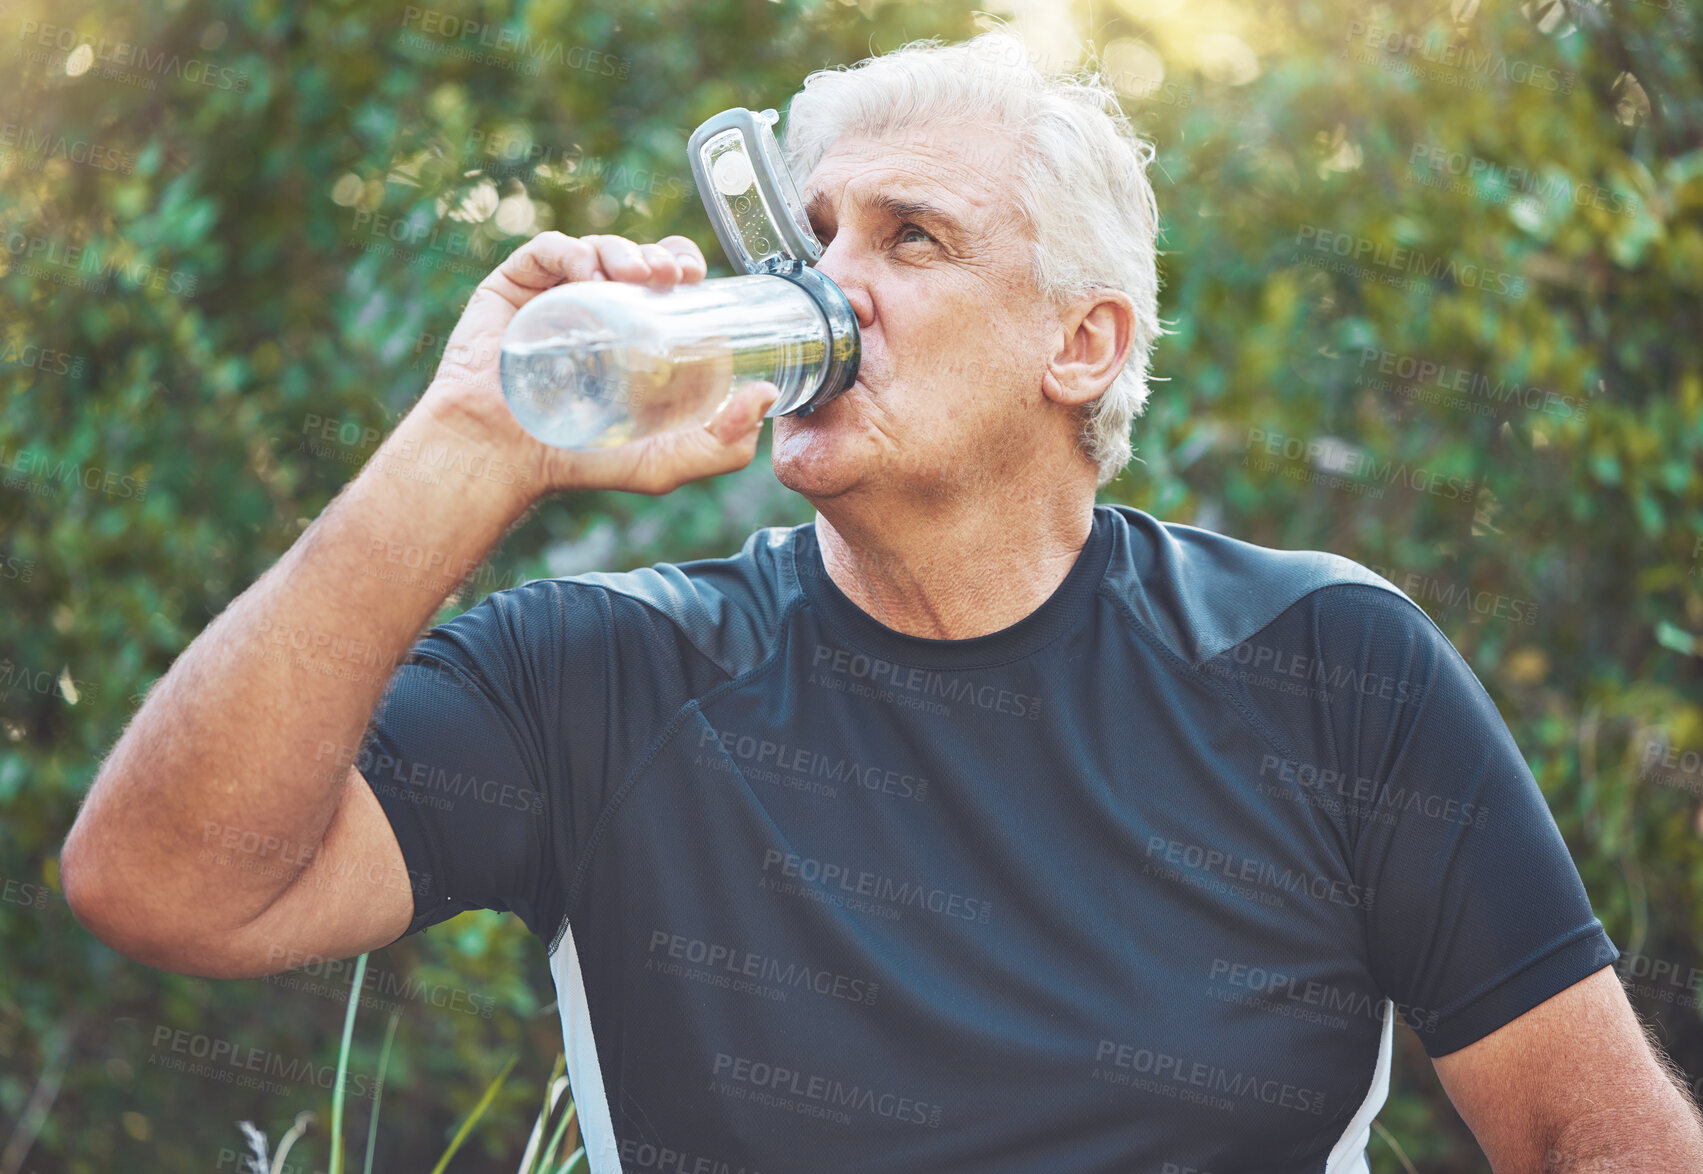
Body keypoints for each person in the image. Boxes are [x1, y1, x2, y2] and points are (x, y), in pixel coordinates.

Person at [62, 32, 1703, 1174]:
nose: (822, 288)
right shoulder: (602, 680)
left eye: (909, 238)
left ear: (1086, 344)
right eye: (812, 229)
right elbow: (165, 882)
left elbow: (1595, 1132)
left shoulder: (1327, 666)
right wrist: (467, 440)